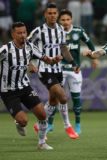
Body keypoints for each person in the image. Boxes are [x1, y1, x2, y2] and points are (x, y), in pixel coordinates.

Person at [0, 22, 62, 150]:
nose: (23, 35)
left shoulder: (30, 47)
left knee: (42, 114)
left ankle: (41, 143)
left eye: (24, 32)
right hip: (8, 90)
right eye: (19, 33)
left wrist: (53, 59)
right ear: (13, 34)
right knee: (23, 121)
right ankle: (18, 122)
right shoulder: (5, 50)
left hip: (24, 86)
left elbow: (46, 59)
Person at [28, 2, 79, 139]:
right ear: (45, 15)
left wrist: (73, 62)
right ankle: (67, 126)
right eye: (49, 13)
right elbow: (23, 46)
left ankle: (39, 125)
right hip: (44, 69)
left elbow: (63, 48)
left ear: (57, 14)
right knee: (62, 96)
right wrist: (29, 63)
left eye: (54, 13)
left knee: (53, 101)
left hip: (58, 68)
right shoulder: (38, 31)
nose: (52, 15)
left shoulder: (61, 30)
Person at [45, 9, 98, 134]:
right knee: (56, 97)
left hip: (75, 69)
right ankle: (50, 124)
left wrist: (94, 57)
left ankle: (78, 124)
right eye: (63, 20)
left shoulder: (78, 31)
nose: (65, 22)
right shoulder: (55, 32)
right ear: (59, 21)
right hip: (59, 69)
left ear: (71, 20)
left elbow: (90, 43)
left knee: (76, 98)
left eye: (68, 19)